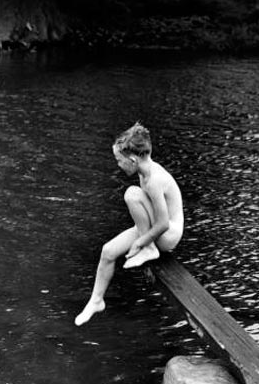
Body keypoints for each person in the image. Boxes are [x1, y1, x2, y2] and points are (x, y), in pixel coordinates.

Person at [75, 123, 184, 326]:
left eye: (119, 160)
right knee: (107, 252)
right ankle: (96, 301)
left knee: (131, 194)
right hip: (154, 228)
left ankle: (150, 249)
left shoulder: (154, 179)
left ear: (132, 159)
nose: (118, 165)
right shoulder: (144, 173)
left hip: (168, 234)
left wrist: (141, 242)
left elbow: (163, 224)